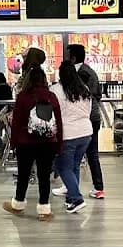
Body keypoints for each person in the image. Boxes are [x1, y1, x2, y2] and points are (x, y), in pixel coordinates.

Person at [2, 65, 62, 222]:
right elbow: (59, 122)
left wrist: (14, 143)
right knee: (44, 176)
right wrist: (58, 144)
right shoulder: (52, 96)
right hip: (48, 142)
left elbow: (16, 122)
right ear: (44, 80)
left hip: (26, 143)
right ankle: (44, 210)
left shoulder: (23, 96)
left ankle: (18, 205)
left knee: (23, 174)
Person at [50, 60, 93, 214]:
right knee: (73, 166)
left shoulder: (55, 90)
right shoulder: (84, 88)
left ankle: (76, 198)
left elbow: (53, 114)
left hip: (68, 134)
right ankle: (70, 199)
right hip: (86, 133)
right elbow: (87, 111)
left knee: (63, 167)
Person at [65, 42, 105, 199]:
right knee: (91, 154)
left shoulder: (80, 73)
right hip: (91, 117)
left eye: (67, 57)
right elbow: (98, 95)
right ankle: (97, 188)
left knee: (74, 154)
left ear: (73, 58)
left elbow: (75, 96)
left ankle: (71, 188)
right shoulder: (89, 71)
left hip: (84, 119)